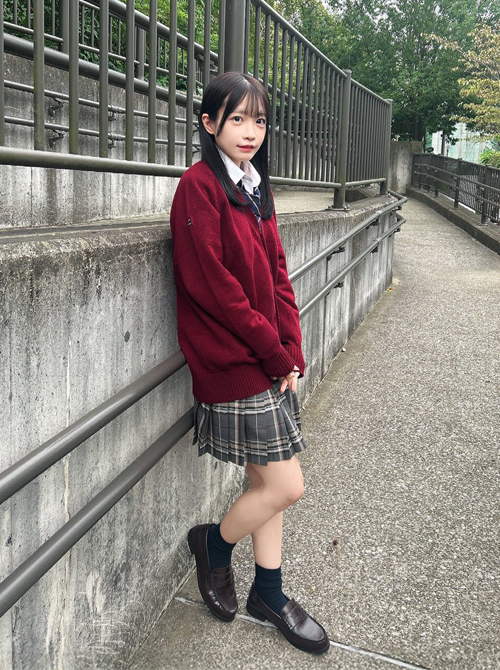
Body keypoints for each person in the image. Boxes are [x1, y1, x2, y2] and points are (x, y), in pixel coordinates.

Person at [170, 71, 329, 655]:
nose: (250, 131)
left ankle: (269, 590)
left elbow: (277, 273)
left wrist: (293, 348)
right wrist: (273, 349)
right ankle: (213, 545)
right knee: (287, 485)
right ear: (209, 122)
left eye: (259, 120)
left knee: (266, 482)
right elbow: (217, 289)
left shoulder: (256, 186)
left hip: (266, 357)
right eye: (237, 118)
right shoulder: (199, 187)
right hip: (231, 360)